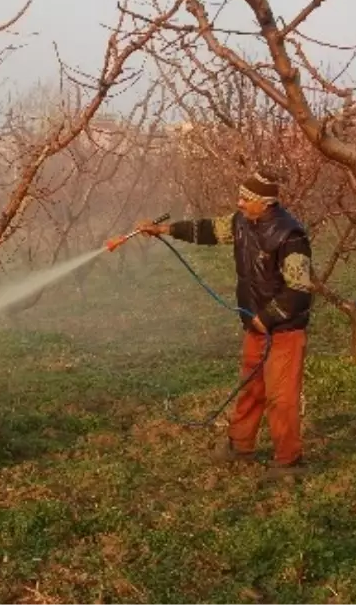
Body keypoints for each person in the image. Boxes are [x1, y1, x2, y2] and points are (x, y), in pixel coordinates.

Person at [135, 170, 313, 483]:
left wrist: (267, 317)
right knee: (250, 387)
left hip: (284, 330)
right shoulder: (241, 222)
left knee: (281, 397)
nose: (239, 202)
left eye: (246, 199)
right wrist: (163, 229)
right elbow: (206, 230)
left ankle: (289, 462)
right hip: (255, 325)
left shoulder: (290, 235)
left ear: (266, 203)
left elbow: (299, 290)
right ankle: (240, 446)